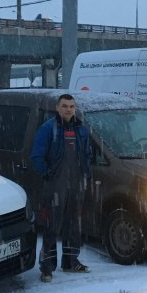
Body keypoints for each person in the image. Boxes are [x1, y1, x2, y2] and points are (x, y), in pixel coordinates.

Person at [30, 93, 92, 282]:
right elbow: (36, 156)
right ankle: (46, 268)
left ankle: (71, 261)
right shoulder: (48, 129)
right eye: (64, 106)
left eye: (71, 106)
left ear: (75, 108)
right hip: (55, 185)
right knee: (52, 226)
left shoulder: (81, 129)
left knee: (73, 225)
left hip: (75, 184)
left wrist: (84, 174)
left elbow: (88, 154)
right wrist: (48, 174)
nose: (68, 109)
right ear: (57, 108)